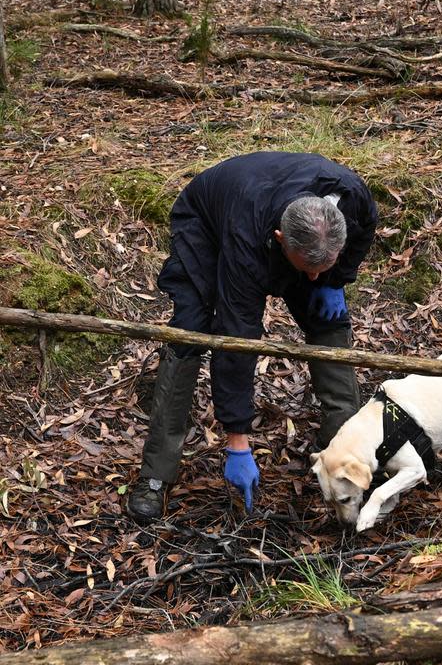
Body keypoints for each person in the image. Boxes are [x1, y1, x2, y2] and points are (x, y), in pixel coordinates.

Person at [127, 152, 378, 523]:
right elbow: (237, 340)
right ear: (280, 240)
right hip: (208, 223)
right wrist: (237, 442)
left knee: (329, 321)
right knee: (191, 331)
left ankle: (343, 446)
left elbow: (361, 235)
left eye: (323, 265)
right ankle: (155, 474)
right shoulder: (246, 244)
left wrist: (336, 279)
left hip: (297, 232)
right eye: (307, 269)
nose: (312, 278)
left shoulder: (352, 197)